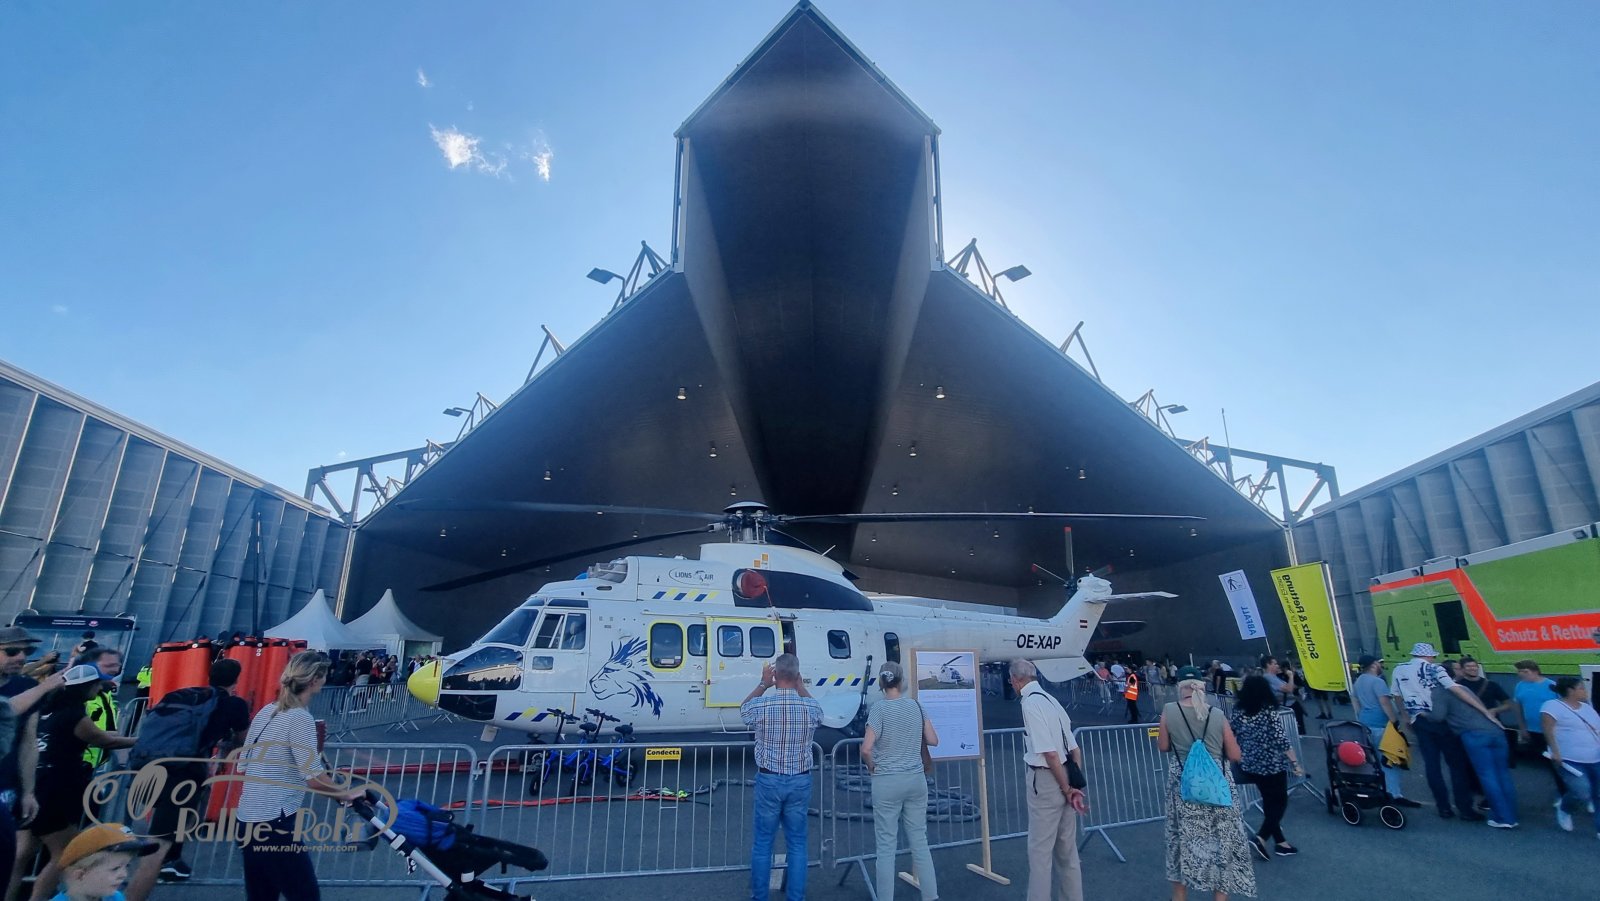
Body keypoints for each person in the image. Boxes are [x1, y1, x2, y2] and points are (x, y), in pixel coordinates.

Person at [235, 650, 364, 901]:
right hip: (274, 822)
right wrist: (346, 794)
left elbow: (244, 764)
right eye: (324, 675)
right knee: (305, 894)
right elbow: (313, 778)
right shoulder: (300, 719)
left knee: (261, 895)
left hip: (247, 819)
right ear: (315, 680)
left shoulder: (267, 711)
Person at [123, 658, 252, 901]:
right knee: (155, 850)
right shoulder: (233, 704)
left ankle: (173, 860)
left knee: (173, 823)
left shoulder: (183, 696)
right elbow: (243, 738)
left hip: (148, 766)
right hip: (182, 775)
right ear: (236, 680)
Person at [10, 665, 136, 901]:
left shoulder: (47, 709)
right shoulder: (74, 714)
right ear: (86, 687)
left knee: (22, 852)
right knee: (65, 852)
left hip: (34, 783)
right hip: (56, 787)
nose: (100, 688)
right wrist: (141, 740)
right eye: (97, 684)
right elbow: (105, 740)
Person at [1158, 678, 1254, 901]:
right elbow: (1234, 754)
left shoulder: (1169, 710)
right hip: (1217, 786)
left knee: (1180, 840)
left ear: (1181, 689)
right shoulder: (1217, 714)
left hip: (1183, 785)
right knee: (1223, 841)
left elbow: (1163, 746)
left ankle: (1179, 896)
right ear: (1202, 689)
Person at [739, 653, 821, 901]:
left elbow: (743, 709)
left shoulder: (762, 706)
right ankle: (796, 897)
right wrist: (801, 688)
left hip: (769, 779)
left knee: (763, 843)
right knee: (797, 844)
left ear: (775, 675)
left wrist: (763, 684)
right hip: (800, 780)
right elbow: (819, 713)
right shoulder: (810, 708)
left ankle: (759, 896)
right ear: (797, 676)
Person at [1389, 642, 1497, 820]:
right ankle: (1464, 808)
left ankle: (1443, 807)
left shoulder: (1399, 669)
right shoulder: (1435, 669)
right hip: (1443, 719)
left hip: (1419, 720)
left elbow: (1397, 694)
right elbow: (1454, 689)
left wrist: (1405, 716)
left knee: (1432, 765)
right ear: (1429, 655)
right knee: (1456, 765)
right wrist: (1483, 710)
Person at [1010, 658, 1087, 901]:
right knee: (1067, 851)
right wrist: (1073, 785)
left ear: (1016, 680)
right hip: (1067, 774)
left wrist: (1065, 788)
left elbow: (1049, 753)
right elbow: (1074, 750)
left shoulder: (1030, 704)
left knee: (1040, 852)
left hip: (1046, 780)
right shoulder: (1052, 701)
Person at [860, 661, 937, 901]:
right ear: (901, 681)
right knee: (919, 841)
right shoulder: (916, 706)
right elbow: (933, 739)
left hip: (887, 780)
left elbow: (866, 748)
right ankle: (931, 896)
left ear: (881, 682)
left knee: (886, 846)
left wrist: (872, 766)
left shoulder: (879, 709)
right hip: (915, 779)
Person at [0, 627, 68, 898]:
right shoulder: (34, 689)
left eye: (27, 652)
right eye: (12, 651)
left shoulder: (27, 687)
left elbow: (29, 742)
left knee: (4, 858)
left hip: (7, 787)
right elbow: (6, 709)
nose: (21, 657)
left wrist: (28, 792)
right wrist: (46, 686)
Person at [1424, 678, 1518, 828]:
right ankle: (1511, 815)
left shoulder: (1439, 691)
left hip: (1474, 734)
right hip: (1496, 731)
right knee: (1503, 774)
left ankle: (1502, 817)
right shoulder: (1463, 688)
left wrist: (1423, 714)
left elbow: (1438, 716)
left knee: (1487, 775)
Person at [1229, 675, 1303, 859]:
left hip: (1250, 763)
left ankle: (1281, 843)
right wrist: (1295, 762)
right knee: (1280, 801)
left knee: (1269, 801)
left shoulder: (1238, 710)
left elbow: (1232, 732)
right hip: (1272, 763)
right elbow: (1280, 739)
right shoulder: (1268, 710)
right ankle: (1261, 837)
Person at [1349, 655, 1420, 807]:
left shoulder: (1359, 681)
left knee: (1374, 759)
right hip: (1381, 725)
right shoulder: (1378, 682)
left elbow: (1355, 701)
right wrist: (1394, 721)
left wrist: (1361, 717)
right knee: (1390, 759)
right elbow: (1385, 703)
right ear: (1374, 664)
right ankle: (1394, 794)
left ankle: (1380, 789)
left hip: (1365, 723)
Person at [1541, 676, 1600, 836]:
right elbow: (1548, 730)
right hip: (1569, 759)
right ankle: (1565, 808)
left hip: (1595, 757)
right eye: (1581, 687)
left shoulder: (1587, 707)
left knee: (1598, 793)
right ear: (1570, 690)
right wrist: (1555, 752)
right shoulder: (1551, 706)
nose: (1584, 690)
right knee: (1582, 792)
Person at [52, 823, 158, 901]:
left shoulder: (116, 898)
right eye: (115, 868)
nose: (124, 875)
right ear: (80, 875)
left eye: (127, 866)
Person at [1511, 660, 1566, 799]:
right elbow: (1518, 707)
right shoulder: (1520, 686)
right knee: (1549, 762)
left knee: (1561, 761)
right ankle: (1562, 793)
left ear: (1535, 671)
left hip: (1554, 730)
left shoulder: (1551, 685)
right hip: (1534, 731)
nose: (1521, 674)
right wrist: (1522, 728)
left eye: (1525, 671)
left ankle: (1570, 790)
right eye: (1519, 671)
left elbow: (1563, 707)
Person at [76, 649, 123, 773]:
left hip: (98, 761)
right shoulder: (80, 696)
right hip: (81, 761)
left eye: (118, 665)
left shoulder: (104, 693)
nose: (115, 670)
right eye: (109, 665)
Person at [1260, 657, 1305, 736]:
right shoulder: (1269, 677)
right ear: (1268, 665)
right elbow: (1288, 689)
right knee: (1294, 732)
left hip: (1290, 705)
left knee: (1298, 730)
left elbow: (1291, 686)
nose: (1277, 666)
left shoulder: (1274, 677)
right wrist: (1291, 676)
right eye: (1275, 664)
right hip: (1286, 706)